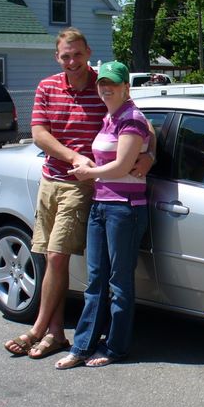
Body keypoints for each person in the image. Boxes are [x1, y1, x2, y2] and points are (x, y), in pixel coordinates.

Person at [4, 29, 152, 359]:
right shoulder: (48, 87)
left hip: (87, 185)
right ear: (57, 58)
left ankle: (38, 329)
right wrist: (71, 156)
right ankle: (56, 332)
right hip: (51, 178)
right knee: (51, 257)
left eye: (77, 54)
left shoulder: (105, 84)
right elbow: (39, 134)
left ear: (88, 52)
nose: (72, 61)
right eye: (65, 56)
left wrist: (150, 154)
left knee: (58, 256)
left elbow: (142, 123)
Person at [55, 61, 150, 369]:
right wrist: (151, 153)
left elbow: (123, 166)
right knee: (95, 279)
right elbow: (150, 140)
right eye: (102, 83)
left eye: (113, 83)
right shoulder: (110, 117)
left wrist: (89, 172)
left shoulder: (131, 118)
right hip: (101, 204)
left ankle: (115, 348)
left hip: (125, 208)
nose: (105, 87)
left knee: (119, 282)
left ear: (126, 87)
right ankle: (81, 347)